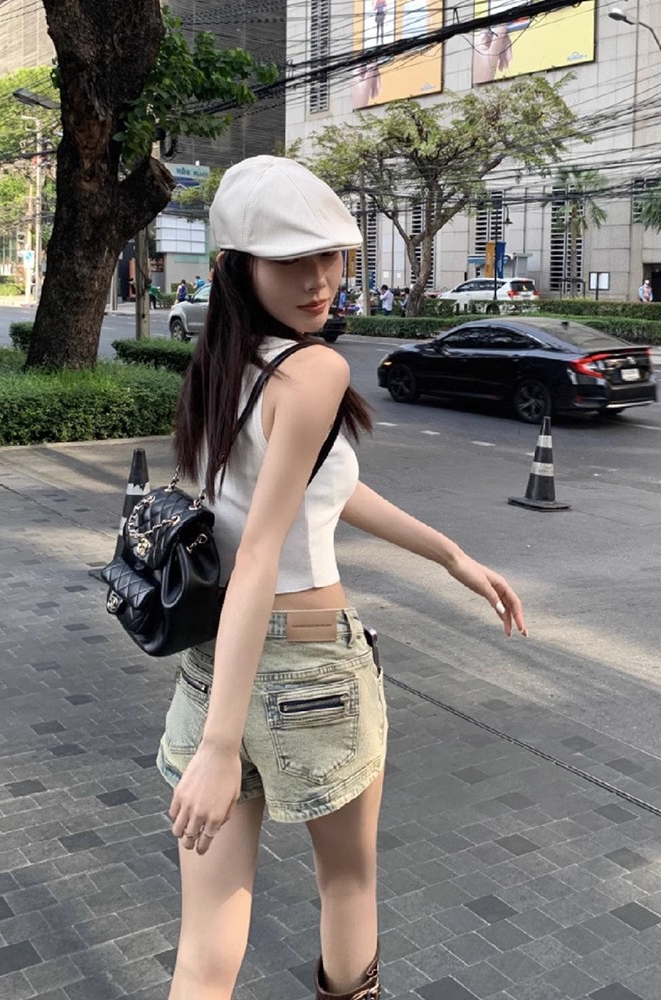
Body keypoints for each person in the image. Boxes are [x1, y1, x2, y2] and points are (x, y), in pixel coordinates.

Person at [160, 155, 527, 1000]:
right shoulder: (316, 370)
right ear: (237, 268)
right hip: (311, 670)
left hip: (214, 666)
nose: (320, 278)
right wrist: (220, 748)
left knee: (203, 953)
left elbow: (326, 490)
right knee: (348, 885)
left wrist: (452, 556)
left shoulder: (224, 366)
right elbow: (260, 551)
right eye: (291, 259)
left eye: (329, 254)